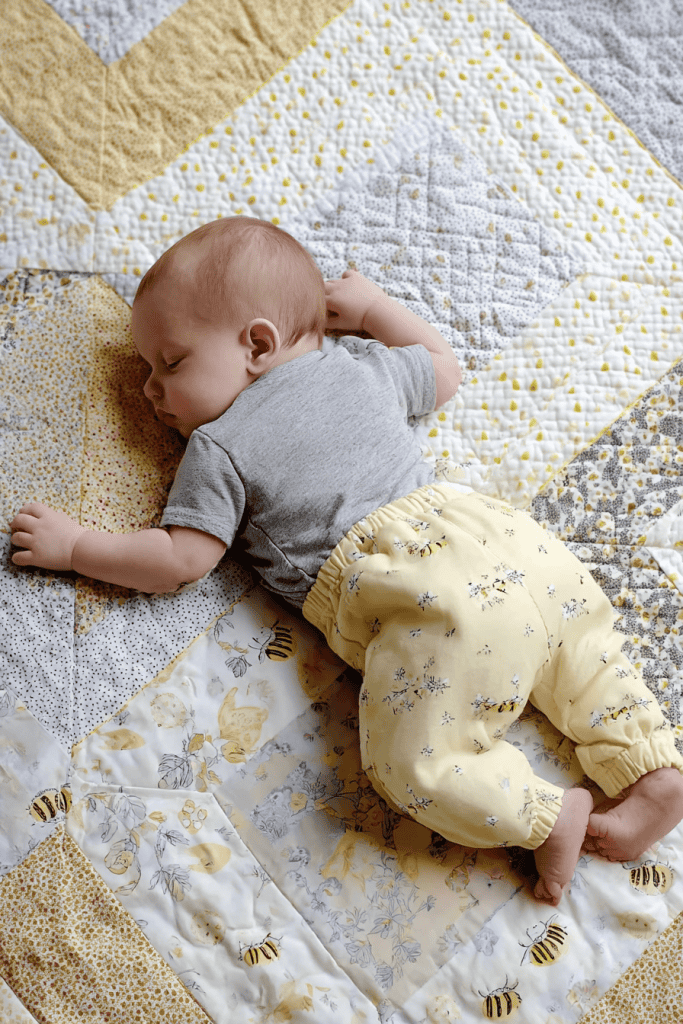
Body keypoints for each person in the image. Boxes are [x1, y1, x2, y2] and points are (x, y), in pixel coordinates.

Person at [10, 216, 683, 907]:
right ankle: (650, 765)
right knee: (585, 651)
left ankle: (546, 816)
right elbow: (442, 371)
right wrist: (374, 312)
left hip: (415, 590)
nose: (151, 391)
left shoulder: (220, 445)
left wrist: (76, 548)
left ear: (257, 344)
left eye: (171, 363)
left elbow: (180, 560)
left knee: (415, 763)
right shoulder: (357, 365)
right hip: (501, 537)